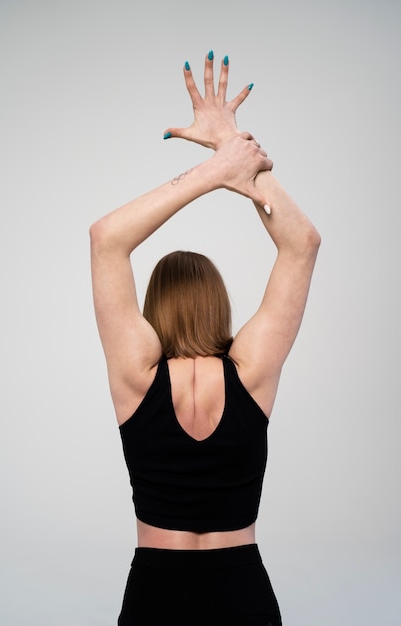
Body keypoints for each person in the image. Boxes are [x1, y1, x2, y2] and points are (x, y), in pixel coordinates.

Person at [90, 51, 320, 626]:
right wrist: (233, 155)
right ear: (218, 302)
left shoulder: (135, 376)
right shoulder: (251, 372)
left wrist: (214, 170)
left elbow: (106, 240)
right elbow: (303, 243)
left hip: (154, 594)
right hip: (242, 589)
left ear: (153, 309)